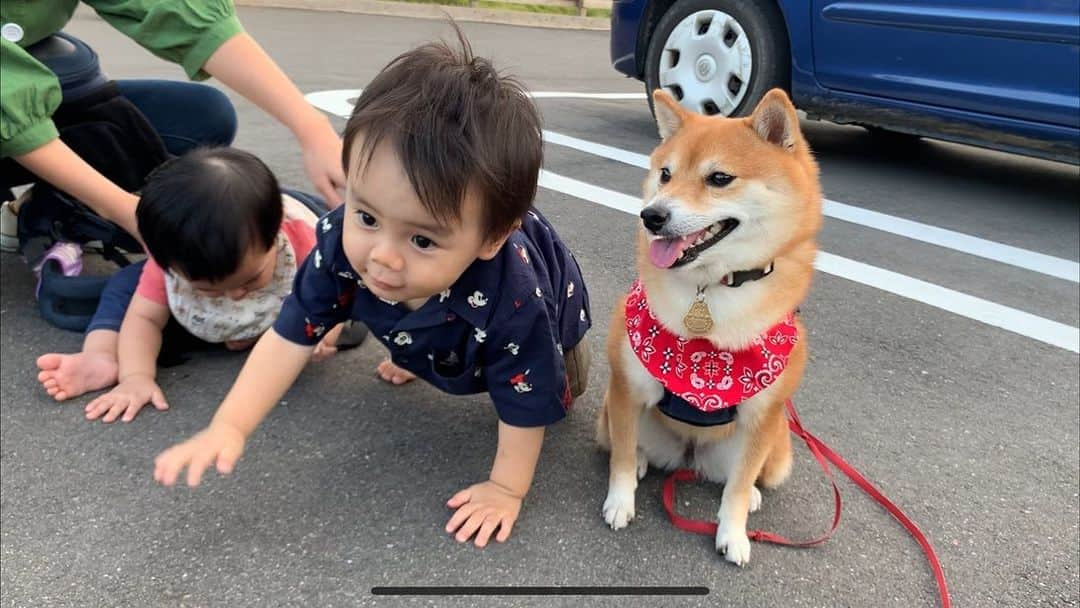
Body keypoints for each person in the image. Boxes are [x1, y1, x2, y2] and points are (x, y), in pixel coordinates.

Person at [153, 33, 593, 548]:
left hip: (542, 309)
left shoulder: (515, 298)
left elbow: (524, 394)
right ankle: (421, 346)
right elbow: (291, 334)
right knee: (418, 320)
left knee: (551, 390)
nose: (382, 254)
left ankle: (438, 346)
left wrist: (505, 488)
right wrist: (229, 425)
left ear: (492, 236)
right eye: (366, 214)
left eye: (422, 237)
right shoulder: (344, 244)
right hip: (437, 309)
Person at [36, 147, 344, 423]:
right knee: (123, 290)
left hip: (297, 215)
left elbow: (337, 292)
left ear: (274, 240)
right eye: (209, 290)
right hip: (202, 256)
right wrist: (136, 376)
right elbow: (144, 318)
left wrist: (325, 329)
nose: (235, 296)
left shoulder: (305, 243)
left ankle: (258, 323)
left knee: (351, 324)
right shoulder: (171, 260)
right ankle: (100, 356)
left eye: (250, 280)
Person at [1, 0, 345, 244]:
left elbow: (181, 13)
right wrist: (124, 211)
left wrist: (313, 131)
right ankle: (77, 202)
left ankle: (44, 205)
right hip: (10, 111)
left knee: (202, 117)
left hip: (26, 102)